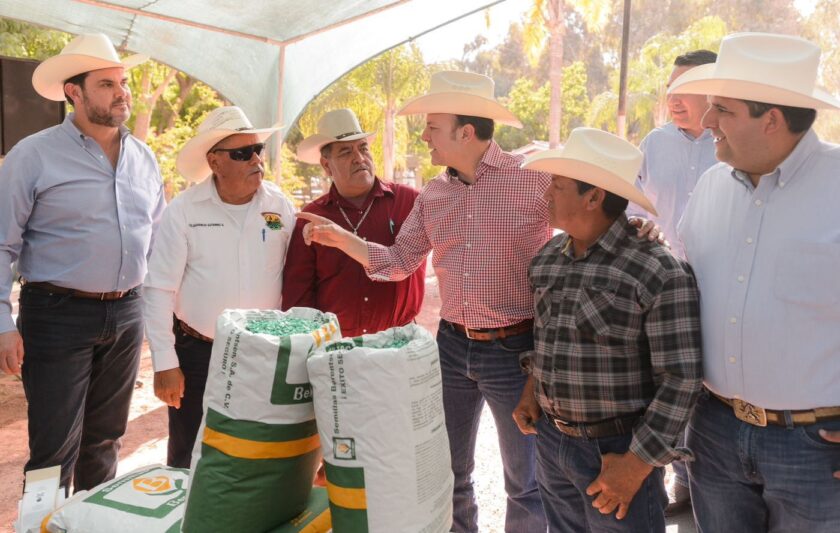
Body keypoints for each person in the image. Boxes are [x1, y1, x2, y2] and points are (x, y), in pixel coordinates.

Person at [299, 71, 660, 532]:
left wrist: (636, 227)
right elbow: (399, 262)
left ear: (465, 132)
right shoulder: (434, 195)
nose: (424, 136)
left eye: (433, 127)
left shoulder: (534, 180)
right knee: (447, 473)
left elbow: (594, 214)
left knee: (527, 481)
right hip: (450, 349)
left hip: (518, 351)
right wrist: (341, 239)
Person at [671, 32, 840, 532]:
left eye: (722, 109)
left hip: (816, 450)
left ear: (772, 120)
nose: (707, 120)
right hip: (713, 434)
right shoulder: (709, 188)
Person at [514, 127, 703, 532]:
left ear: (593, 197)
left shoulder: (656, 269)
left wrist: (636, 464)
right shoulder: (548, 259)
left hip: (617, 451)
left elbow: (682, 379)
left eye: (558, 186)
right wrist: (532, 392)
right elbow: (547, 339)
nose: (546, 194)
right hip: (552, 443)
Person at [0, 33, 165, 492]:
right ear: (74, 92)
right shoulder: (33, 154)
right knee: (54, 449)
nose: (122, 92)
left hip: (127, 313)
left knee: (106, 440)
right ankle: (42, 524)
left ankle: (92, 520)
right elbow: (2, 244)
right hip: (56, 315)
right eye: (107, 84)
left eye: (123, 82)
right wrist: (2, 323)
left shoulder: (144, 158)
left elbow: (157, 243)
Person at [143, 106, 296, 468]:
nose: (255, 159)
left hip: (264, 354)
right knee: (191, 454)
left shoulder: (279, 206)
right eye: (242, 153)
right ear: (214, 162)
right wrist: (165, 362)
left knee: (258, 452)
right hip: (199, 355)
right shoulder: (184, 211)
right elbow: (159, 289)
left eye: (257, 149)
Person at [630, 49, 718, 515]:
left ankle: (692, 483)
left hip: (719, 288)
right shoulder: (654, 143)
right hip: (661, 289)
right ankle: (662, 481)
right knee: (663, 382)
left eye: (685, 90)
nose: (673, 100)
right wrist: (641, 224)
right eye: (670, 91)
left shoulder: (733, 145)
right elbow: (631, 203)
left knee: (708, 385)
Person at [282, 108, 424, 336]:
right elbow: (299, 296)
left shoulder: (409, 201)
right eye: (346, 152)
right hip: (337, 347)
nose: (359, 158)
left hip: (401, 343)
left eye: (363, 148)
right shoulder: (313, 217)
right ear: (326, 165)